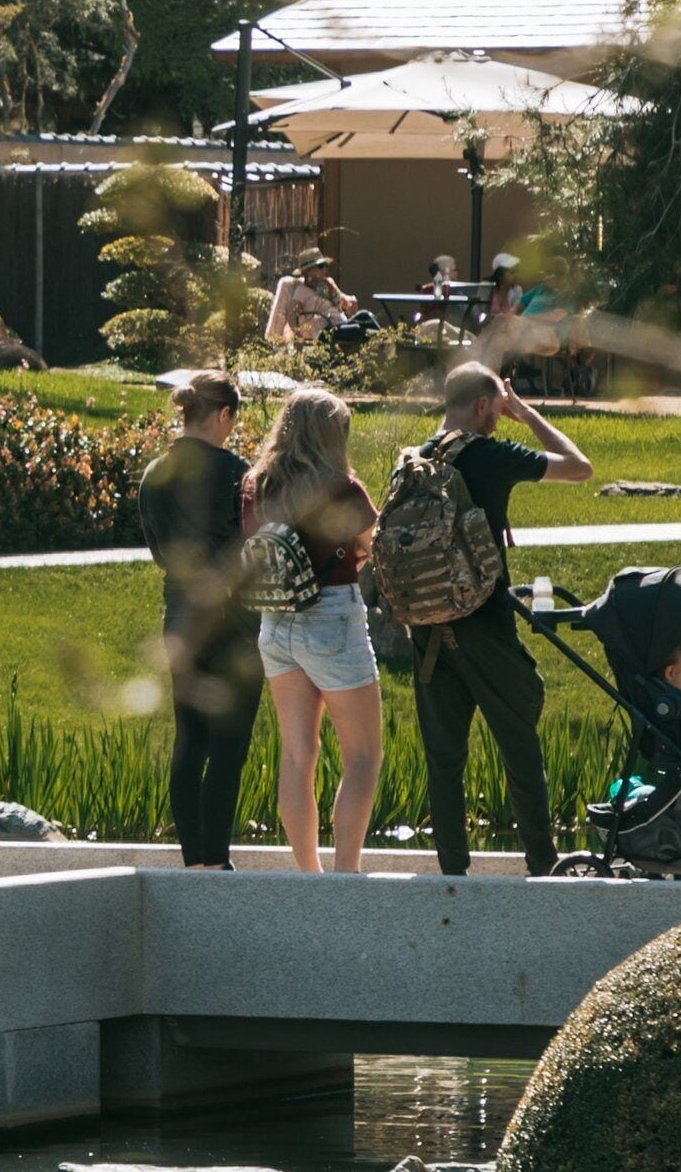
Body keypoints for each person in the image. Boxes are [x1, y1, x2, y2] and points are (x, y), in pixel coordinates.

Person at [402, 363, 595, 874]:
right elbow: (579, 467)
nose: (497, 420)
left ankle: (452, 874)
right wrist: (529, 415)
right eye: (497, 410)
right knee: (520, 747)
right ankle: (542, 865)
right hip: (484, 624)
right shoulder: (489, 455)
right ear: (484, 405)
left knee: (444, 760)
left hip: (427, 629)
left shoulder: (415, 460)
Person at [244, 389, 382, 872]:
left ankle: (308, 875)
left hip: (275, 622)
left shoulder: (258, 485)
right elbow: (372, 541)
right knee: (363, 756)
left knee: (298, 755)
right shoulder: (340, 486)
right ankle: (344, 876)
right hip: (331, 619)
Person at [137, 373, 259, 869]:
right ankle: (217, 857)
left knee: (189, 741)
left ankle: (193, 860)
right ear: (224, 415)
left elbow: (158, 550)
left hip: (179, 617)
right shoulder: (238, 472)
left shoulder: (154, 474)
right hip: (231, 620)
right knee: (229, 745)